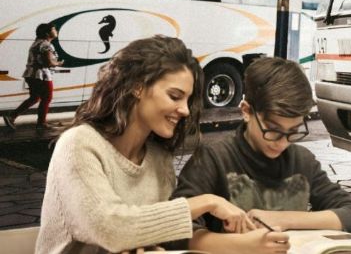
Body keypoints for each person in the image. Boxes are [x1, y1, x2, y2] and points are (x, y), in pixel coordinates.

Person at [36, 35, 257, 254]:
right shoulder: (78, 144)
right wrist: (208, 202)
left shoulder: (159, 159)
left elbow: (153, 234)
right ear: (137, 87)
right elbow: (111, 229)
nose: (185, 110)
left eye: (187, 100)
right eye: (174, 96)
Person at [172, 57, 351, 253]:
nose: (282, 143)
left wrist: (280, 219)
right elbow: (174, 232)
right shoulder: (213, 158)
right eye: (273, 130)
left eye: (293, 132)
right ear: (247, 111)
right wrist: (243, 246)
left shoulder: (302, 160)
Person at [3, 22, 62, 130]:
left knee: (35, 98)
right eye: (54, 29)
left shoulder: (36, 43)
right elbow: (48, 62)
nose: (56, 31)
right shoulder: (46, 44)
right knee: (47, 98)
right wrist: (58, 63)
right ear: (47, 33)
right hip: (41, 75)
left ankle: (11, 116)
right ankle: (41, 124)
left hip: (30, 74)